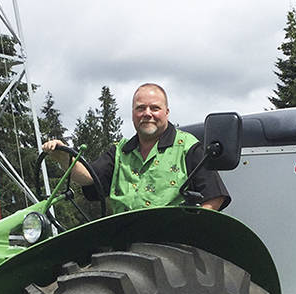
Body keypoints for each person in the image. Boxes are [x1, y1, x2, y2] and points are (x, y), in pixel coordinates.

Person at [42, 83, 229, 213]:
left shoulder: (188, 147)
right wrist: (63, 157)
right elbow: (89, 177)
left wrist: (191, 230)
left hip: (173, 242)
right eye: (140, 108)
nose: (147, 114)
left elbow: (214, 196)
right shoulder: (120, 151)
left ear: (166, 112)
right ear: (133, 113)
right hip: (124, 239)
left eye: (154, 108)